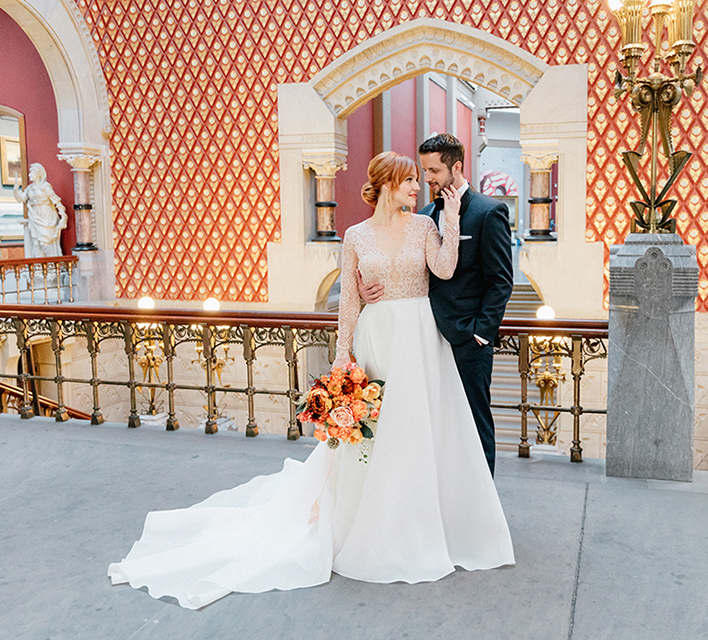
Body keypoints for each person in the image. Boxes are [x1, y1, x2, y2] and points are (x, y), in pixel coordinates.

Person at [108, 151, 514, 609]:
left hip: (421, 340)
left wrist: (456, 214)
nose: (418, 188)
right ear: (386, 183)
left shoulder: (424, 225)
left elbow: (443, 270)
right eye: (409, 181)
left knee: (418, 430)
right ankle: (371, 522)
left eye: (421, 180)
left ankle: (418, 521)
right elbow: (347, 304)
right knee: (375, 435)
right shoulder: (356, 235)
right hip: (378, 338)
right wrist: (343, 358)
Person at [359, 134, 514, 475]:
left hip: (467, 339)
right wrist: (362, 286)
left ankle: (480, 499)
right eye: (423, 171)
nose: (426, 179)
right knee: (437, 425)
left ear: (455, 167)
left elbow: (501, 280)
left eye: (432, 170)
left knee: (473, 422)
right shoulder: (426, 215)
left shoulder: (489, 212)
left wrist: (481, 334)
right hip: (425, 338)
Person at [13, 163, 68, 259]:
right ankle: (39, 270)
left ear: (38, 173)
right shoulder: (30, 188)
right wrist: (15, 191)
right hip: (34, 216)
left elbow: (57, 201)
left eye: (32, 173)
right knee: (36, 244)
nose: (30, 175)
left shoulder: (45, 187)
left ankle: (52, 267)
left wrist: (63, 216)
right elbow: (21, 198)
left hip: (46, 217)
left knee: (45, 244)